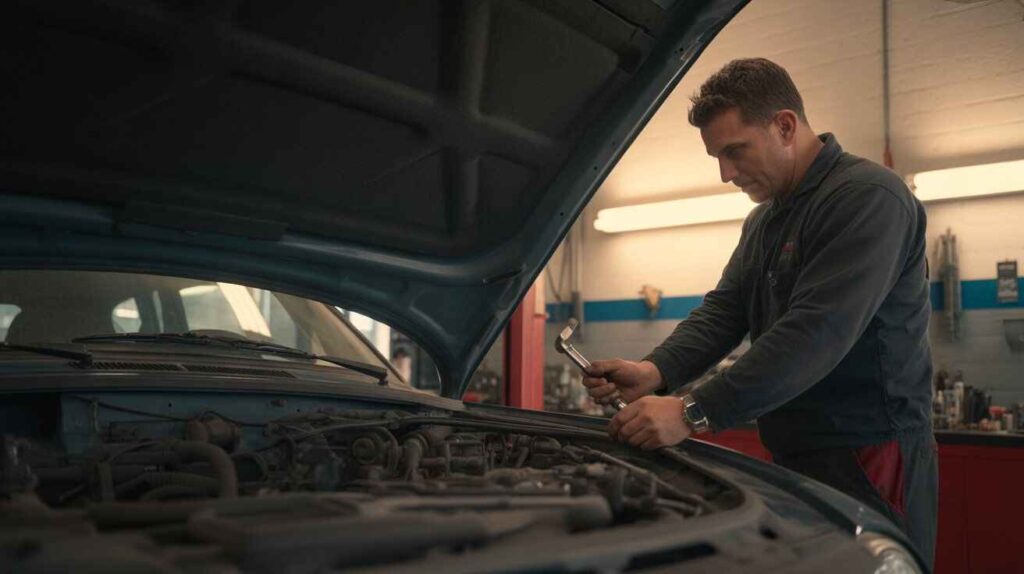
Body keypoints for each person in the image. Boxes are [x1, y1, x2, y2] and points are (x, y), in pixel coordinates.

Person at [582, 58, 937, 568]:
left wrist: (691, 411)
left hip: (868, 451)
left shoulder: (868, 198)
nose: (726, 173)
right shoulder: (765, 220)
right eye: (716, 157)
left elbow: (817, 332)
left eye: (734, 151)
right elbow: (725, 311)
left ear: (785, 126)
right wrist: (654, 371)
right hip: (796, 449)